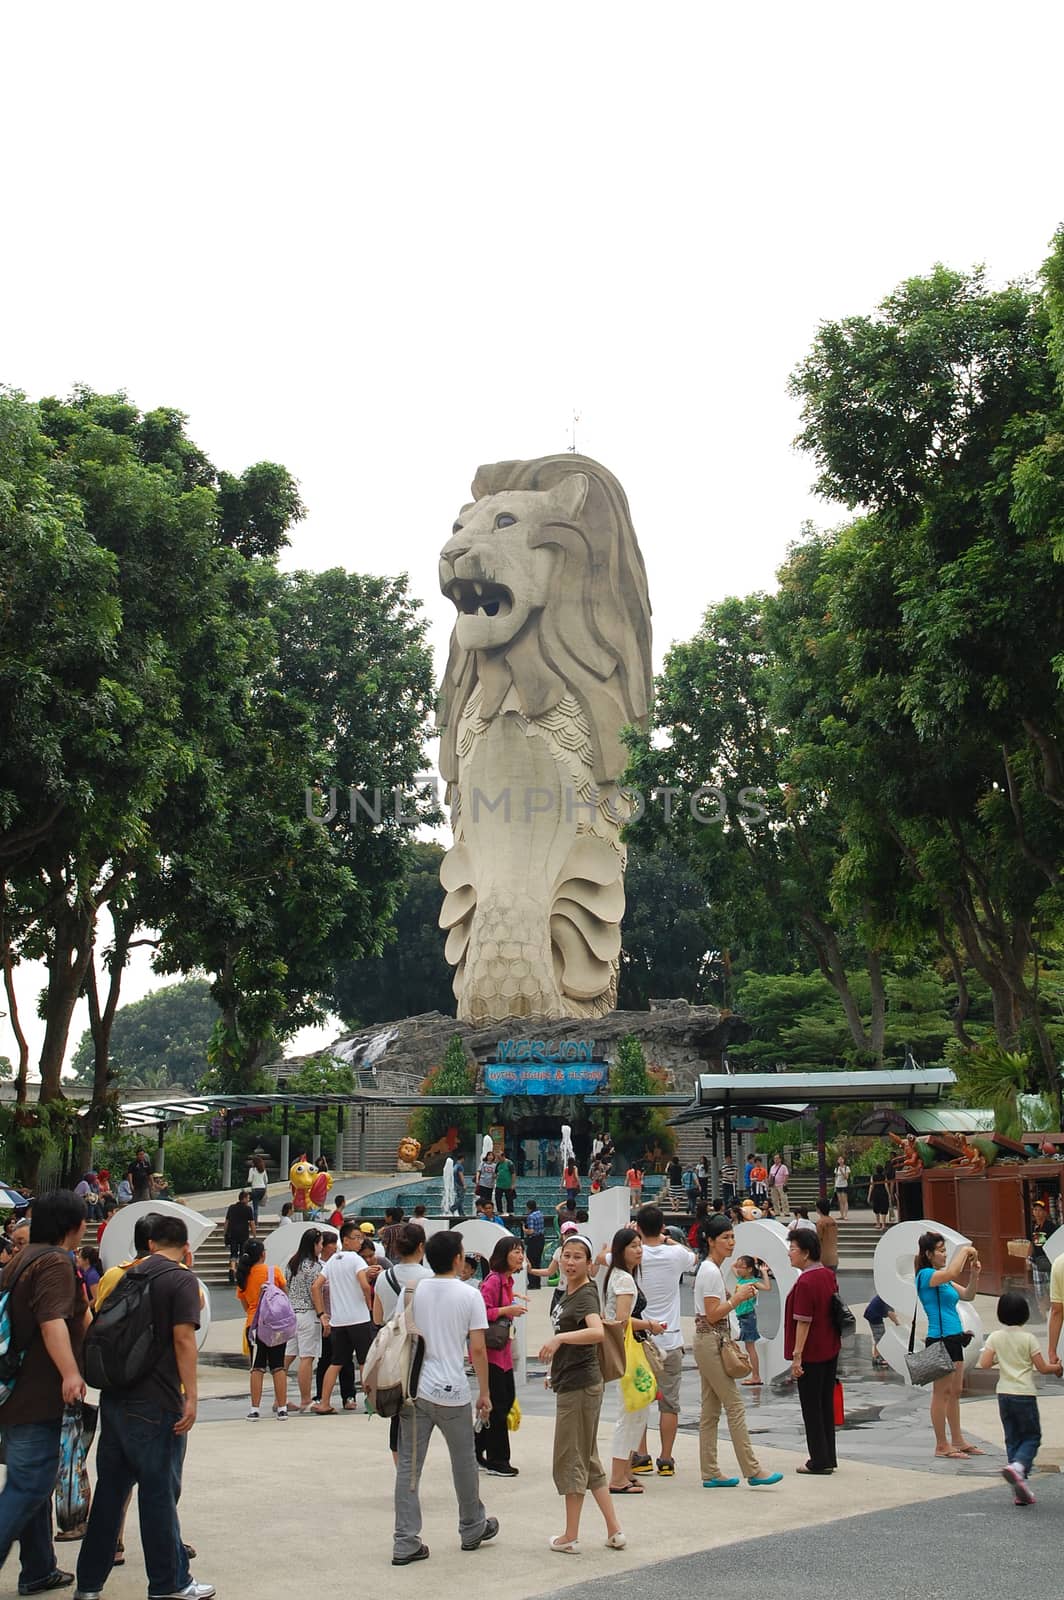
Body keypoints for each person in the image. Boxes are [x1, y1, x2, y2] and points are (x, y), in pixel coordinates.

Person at [75, 1213, 213, 1600]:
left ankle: (88, 1585)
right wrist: (191, 1396)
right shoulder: (181, 1278)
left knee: (110, 1495)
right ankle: (169, 1584)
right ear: (186, 1248)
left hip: (116, 1397)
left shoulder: (122, 1274)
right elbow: (184, 1339)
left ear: (150, 1243)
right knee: (158, 1495)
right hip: (156, 1401)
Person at [0, 1189, 87, 1597]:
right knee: (30, 1484)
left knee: (29, 1480)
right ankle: (36, 1568)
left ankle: (38, 1568)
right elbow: (52, 1321)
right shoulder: (54, 1262)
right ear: (74, 1226)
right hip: (36, 1393)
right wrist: (71, 1373)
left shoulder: (21, 1258)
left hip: (16, 1392)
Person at [392, 1230, 498, 1565]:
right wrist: (485, 1392)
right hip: (453, 1391)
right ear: (456, 1259)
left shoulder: (414, 1290)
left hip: (417, 1390)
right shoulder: (469, 1295)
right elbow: (477, 1348)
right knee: (464, 1462)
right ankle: (472, 1527)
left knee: (409, 1468)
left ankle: (405, 1541)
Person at [539, 1233, 626, 1554]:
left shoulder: (586, 1294)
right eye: (567, 1255)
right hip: (573, 1380)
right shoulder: (568, 1291)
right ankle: (614, 1530)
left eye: (578, 1257)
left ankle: (570, 1535)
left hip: (581, 1385)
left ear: (589, 1264)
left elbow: (596, 1331)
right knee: (587, 1459)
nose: (570, 1261)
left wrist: (559, 1341)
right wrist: (555, 1369)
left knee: (570, 1459)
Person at [692, 1217, 782, 1489]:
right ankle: (752, 1469)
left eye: (732, 1237)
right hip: (710, 1339)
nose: (731, 1243)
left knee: (710, 1410)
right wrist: (737, 1298)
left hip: (710, 1340)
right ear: (711, 1240)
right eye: (725, 1238)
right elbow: (711, 1314)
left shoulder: (712, 1270)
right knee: (734, 1405)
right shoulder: (709, 1271)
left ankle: (710, 1472)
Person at [629, 1205, 696, 1477]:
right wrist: (667, 1239)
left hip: (641, 1340)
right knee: (670, 1403)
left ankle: (641, 1455)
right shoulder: (676, 1254)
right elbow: (693, 1257)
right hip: (671, 1339)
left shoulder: (633, 1254)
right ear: (662, 1226)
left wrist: (629, 1235)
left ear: (639, 1227)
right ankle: (666, 1459)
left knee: (641, 1400)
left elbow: (600, 1258)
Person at [979, 1290, 1062, 1504]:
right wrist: (1057, 1368)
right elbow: (1042, 1368)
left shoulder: (996, 1337)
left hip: (1003, 1395)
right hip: (1024, 1394)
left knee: (1013, 1438)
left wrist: (1002, 1359)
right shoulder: (1028, 1338)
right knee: (1032, 1437)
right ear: (1025, 1314)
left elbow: (985, 1363)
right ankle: (1018, 1469)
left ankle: (1019, 1487)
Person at [602, 1227, 667, 1493]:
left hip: (624, 1349)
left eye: (640, 1245)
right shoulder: (625, 1280)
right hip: (628, 1351)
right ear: (620, 1251)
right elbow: (623, 1319)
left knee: (636, 1411)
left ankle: (626, 1471)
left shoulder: (619, 1276)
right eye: (633, 1246)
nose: (638, 1250)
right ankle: (618, 1476)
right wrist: (650, 1324)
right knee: (631, 1413)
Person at [914, 1231, 983, 1459]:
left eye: (945, 1251)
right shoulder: (925, 1275)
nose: (944, 1255)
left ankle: (958, 1439)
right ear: (928, 1254)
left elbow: (968, 1295)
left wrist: (974, 1275)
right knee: (941, 1393)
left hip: (954, 1338)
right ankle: (941, 1444)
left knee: (955, 1391)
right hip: (939, 1338)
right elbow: (954, 1270)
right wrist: (964, 1250)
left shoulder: (943, 1278)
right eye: (941, 1251)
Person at [784, 1229, 841, 1475]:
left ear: (805, 1253)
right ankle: (828, 1456)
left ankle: (818, 1459)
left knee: (811, 1407)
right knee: (825, 1404)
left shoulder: (806, 1281)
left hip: (812, 1352)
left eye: (793, 1248)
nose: (789, 1253)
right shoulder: (827, 1275)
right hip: (830, 1346)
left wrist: (797, 1356)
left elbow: (803, 1321)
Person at [312, 1220, 378, 1414]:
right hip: (358, 1319)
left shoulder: (333, 1260)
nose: (359, 1242)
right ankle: (371, 1403)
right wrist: (369, 1304)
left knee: (336, 1362)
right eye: (356, 1238)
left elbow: (316, 1286)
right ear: (346, 1241)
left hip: (338, 1321)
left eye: (361, 1238)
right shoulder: (356, 1259)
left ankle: (324, 1402)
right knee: (366, 1361)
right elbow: (365, 1284)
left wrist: (322, 1313)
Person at [477, 1236, 526, 1477]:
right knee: (499, 1405)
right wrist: (508, 1309)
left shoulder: (507, 1281)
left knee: (504, 1401)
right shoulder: (493, 1281)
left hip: (502, 1352)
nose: (520, 1255)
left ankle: (476, 1448)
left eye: (521, 1251)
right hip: (491, 1354)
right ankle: (498, 1460)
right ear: (503, 1254)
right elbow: (481, 1312)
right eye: (515, 1251)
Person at [236, 1238, 289, 1421]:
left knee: (256, 1368)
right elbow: (284, 1294)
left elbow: (245, 1304)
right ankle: (282, 1408)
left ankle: (255, 1408)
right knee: (278, 1366)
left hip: (254, 1325)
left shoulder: (243, 1275)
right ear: (263, 1254)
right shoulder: (273, 1271)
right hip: (275, 1325)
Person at [285, 1227, 325, 1412]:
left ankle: (280, 1399)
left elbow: (287, 1286)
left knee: (287, 1357)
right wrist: (321, 1314)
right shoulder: (315, 1267)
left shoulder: (292, 1263)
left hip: (291, 1314)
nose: (322, 1247)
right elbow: (315, 1291)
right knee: (306, 1358)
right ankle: (305, 1400)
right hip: (308, 1314)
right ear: (314, 1244)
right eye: (321, 1243)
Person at [732, 1254, 772, 1387]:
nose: (738, 1269)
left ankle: (756, 1376)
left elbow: (767, 1287)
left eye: (741, 1267)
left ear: (749, 1269)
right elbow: (731, 1266)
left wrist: (764, 1272)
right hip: (741, 1316)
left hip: (748, 1317)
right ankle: (755, 1375)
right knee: (749, 1347)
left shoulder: (753, 1281)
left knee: (750, 1348)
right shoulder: (740, 1279)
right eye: (738, 1267)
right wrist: (749, 1260)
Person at [223, 1190, 255, 1285]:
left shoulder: (232, 1208)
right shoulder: (248, 1209)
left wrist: (224, 1233)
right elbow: (252, 1223)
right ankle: (240, 1271)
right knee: (242, 1253)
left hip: (232, 1234)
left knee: (233, 1253)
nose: (249, 1199)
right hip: (243, 1234)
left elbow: (227, 1222)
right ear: (244, 1198)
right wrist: (254, 1235)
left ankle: (232, 1268)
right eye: (248, 1198)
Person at [1028, 1199, 1056, 1302]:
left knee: (1050, 1289)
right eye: (1035, 1210)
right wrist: (1028, 1259)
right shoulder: (1034, 1227)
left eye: (1040, 1210)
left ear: (1045, 1212)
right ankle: (1043, 1312)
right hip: (1037, 1262)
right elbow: (1032, 1243)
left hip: (1048, 1262)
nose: (1037, 1212)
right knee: (1039, 1291)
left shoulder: (1050, 1226)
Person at [863, 1293, 900, 1367]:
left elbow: (891, 1312)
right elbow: (890, 1313)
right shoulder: (889, 1297)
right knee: (880, 1338)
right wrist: (897, 1323)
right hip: (874, 1315)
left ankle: (877, 1356)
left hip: (873, 1314)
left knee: (880, 1337)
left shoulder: (887, 1294)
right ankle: (877, 1358)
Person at [523, 1199, 545, 1288]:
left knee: (531, 1261)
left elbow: (531, 1231)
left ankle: (532, 1283)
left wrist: (524, 1230)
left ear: (528, 1207)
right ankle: (537, 1283)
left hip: (534, 1240)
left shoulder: (531, 1217)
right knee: (537, 1261)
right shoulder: (540, 1213)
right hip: (541, 1239)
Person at [814, 1199, 839, 1271]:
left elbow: (818, 1239)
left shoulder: (820, 1222)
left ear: (818, 1209)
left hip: (824, 1258)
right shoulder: (833, 1222)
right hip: (834, 1257)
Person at [245, 1155, 269, 1223]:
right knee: (256, 1205)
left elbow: (249, 1180)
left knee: (254, 1206)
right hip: (262, 1189)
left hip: (255, 1189)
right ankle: (254, 1222)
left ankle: (255, 1222)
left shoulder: (252, 1170)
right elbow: (266, 1180)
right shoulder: (263, 1170)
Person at [453, 1152, 466, 1217]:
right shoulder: (460, 1166)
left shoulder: (455, 1165)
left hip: (456, 1184)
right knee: (461, 1198)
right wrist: (464, 1184)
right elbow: (461, 1175)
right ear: (462, 1159)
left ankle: (461, 1213)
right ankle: (453, 1208)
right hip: (460, 1184)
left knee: (459, 1198)